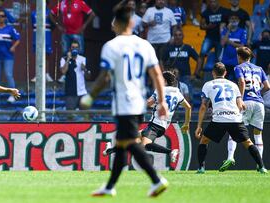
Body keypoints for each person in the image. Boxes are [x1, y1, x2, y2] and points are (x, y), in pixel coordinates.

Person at [80, 3, 169, 197]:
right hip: (139, 102)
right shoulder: (145, 45)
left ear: (115, 23)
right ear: (133, 21)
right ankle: (110, 186)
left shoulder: (111, 46)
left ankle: (156, 179)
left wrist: (89, 97)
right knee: (120, 145)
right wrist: (162, 102)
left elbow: (104, 78)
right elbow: (157, 76)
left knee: (129, 143)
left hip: (123, 103)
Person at [103, 71, 191, 168]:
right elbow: (188, 107)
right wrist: (186, 124)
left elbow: (149, 103)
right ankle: (109, 150)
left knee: (144, 145)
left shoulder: (160, 90)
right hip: (163, 125)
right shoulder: (178, 93)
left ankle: (170, 152)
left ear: (165, 81)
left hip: (155, 124)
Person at [195, 62, 267, 174]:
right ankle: (262, 167)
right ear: (225, 73)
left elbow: (203, 106)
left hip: (219, 119)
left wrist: (199, 126)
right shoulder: (233, 85)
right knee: (248, 142)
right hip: (234, 118)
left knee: (204, 141)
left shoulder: (208, 85)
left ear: (213, 73)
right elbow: (240, 104)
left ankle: (201, 168)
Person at [218, 47, 270, 172]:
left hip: (246, 102)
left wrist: (240, 98)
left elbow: (241, 81)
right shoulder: (259, 69)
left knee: (234, 131)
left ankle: (230, 157)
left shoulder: (238, 67)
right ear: (250, 57)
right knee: (258, 134)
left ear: (239, 57)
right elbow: (267, 86)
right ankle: (260, 164)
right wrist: (257, 93)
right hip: (259, 103)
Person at [198, 0, 229, 79]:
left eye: (214, 2)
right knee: (202, 53)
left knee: (219, 58)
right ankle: (197, 73)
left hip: (220, 38)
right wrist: (208, 27)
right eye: (211, 2)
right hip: (209, 37)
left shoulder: (224, 11)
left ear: (218, 2)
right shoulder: (206, 12)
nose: (212, 3)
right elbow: (201, 26)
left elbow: (229, 24)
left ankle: (220, 75)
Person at [60, 40, 87, 110]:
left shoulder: (83, 59)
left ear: (79, 49)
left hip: (82, 92)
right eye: (73, 47)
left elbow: (88, 76)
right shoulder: (64, 59)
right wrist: (68, 59)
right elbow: (63, 71)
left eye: (76, 47)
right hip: (70, 92)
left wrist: (84, 69)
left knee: (85, 115)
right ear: (70, 48)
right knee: (70, 116)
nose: (75, 49)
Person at [31, 0, 53, 82]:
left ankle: (47, 74)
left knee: (47, 55)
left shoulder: (49, 12)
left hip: (46, 34)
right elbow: (32, 25)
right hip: (36, 35)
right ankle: (38, 75)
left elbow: (53, 24)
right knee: (38, 55)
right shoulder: (33, 13)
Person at [220, 14, 247, 82]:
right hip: (225, 60)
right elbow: (222, 43)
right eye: (232, 18)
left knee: (236, 82)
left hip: (237, 61)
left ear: (239, 21)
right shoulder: (225, 30)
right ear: (229, 20)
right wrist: (228, 30)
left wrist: (229, 42)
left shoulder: (242, 31)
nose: (234, 20)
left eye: (236, 18)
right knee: (224, 81)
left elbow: (242, 46)